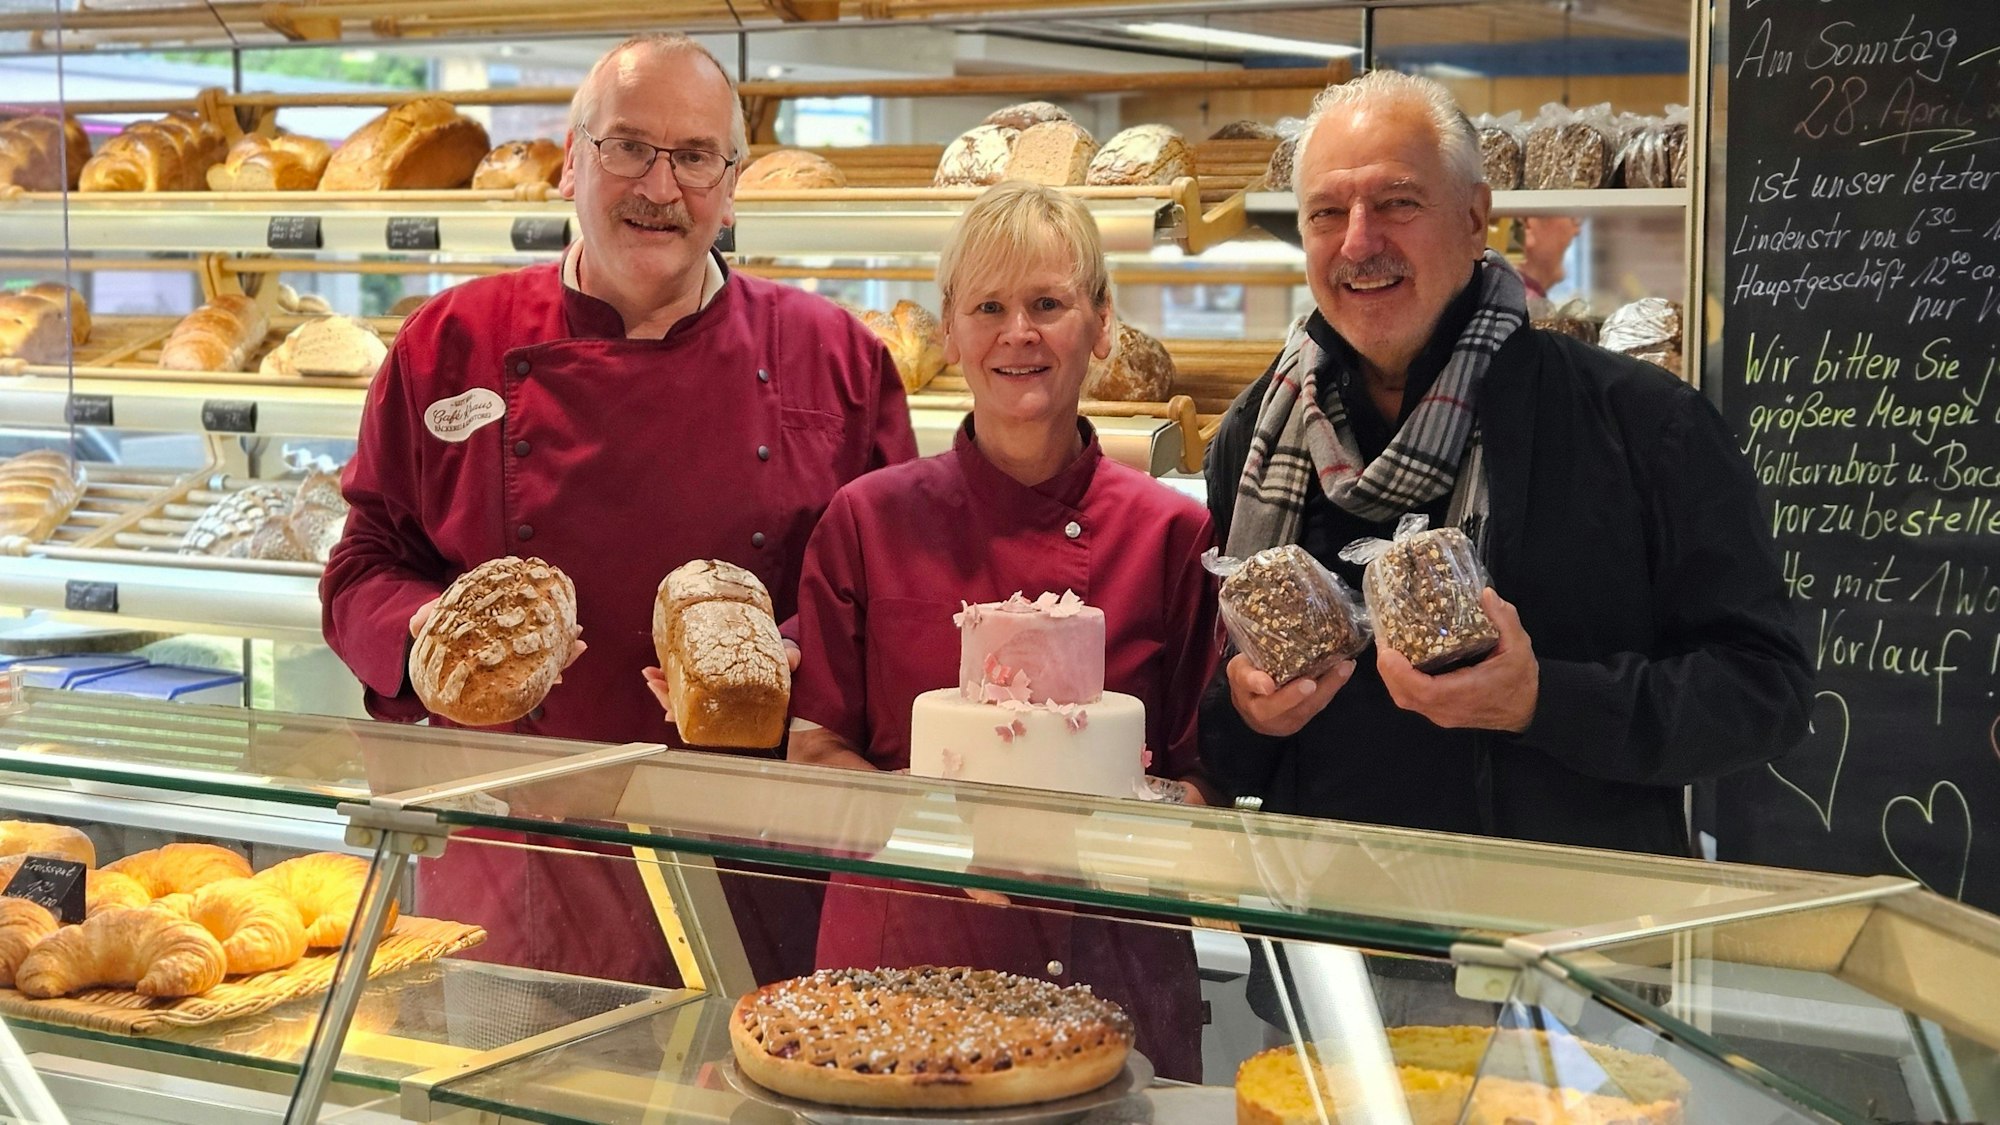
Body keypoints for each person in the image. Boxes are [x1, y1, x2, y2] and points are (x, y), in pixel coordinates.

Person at [322, 33, 915, 986]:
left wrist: (792, 657)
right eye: (630, 147)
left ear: (731, 186)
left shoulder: (837, 357)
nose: (660, 187)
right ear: (571, 163)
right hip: (518, 864)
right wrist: (431, 631)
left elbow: (887, 598)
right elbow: (362, 567)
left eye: (696, 157)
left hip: (750, 863)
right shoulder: (448, 342)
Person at [1202, 69, 1812, 859]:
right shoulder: (1256, 436)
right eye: (1326, 212)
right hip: (1330, 918)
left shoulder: (1640, 423)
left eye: (1397, 202)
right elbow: (1223, 740)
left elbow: (1766, 691)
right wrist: (1245, 712)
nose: (1358, 241)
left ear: (1475, 218)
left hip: (1564, 920)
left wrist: (1542, 699)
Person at [776, 181, 1220, 1080]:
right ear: (949, 329)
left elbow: (1205, 784)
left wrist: (1116, 831)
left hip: (1113, 961)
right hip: (900, 966)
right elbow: (814, 750)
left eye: (1048, 304)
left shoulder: (1173, 534)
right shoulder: (866, 520)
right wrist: (942, 834)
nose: (1018, 332)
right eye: (988, 307)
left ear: (1102, 324)